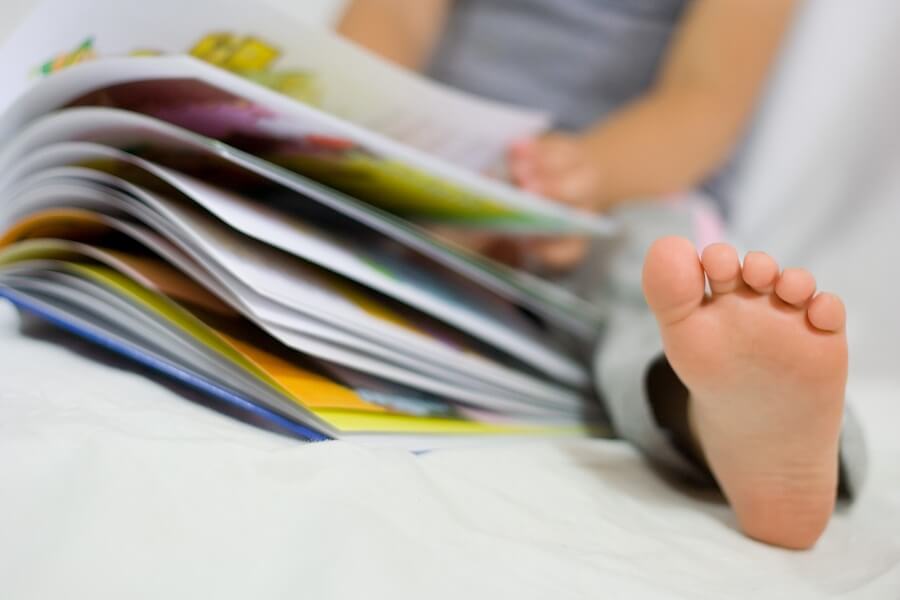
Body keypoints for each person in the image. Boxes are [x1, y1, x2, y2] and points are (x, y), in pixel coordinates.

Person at [336, 0, 862, 550]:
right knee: (281, 196)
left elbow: (704, 101)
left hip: (618, 192)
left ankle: (728, 426)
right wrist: (364, 134)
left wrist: (579, 183)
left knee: (664, 279)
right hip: (431, 182)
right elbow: (391, 19)